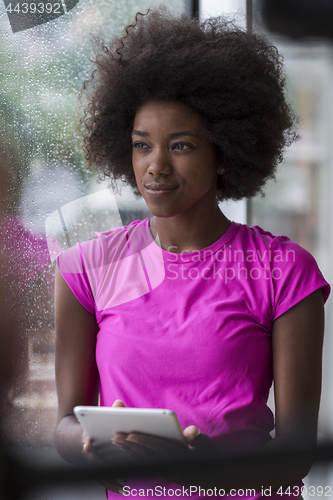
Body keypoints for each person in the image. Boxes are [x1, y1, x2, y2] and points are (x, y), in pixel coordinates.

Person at [54, 9, 330, 500]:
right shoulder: (85, 269)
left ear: (223, 151)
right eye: (142, 146)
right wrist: (88, 446)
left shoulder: (283, 271)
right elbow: (64, 425)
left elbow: (296, 456)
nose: (155, 166)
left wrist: (203, 469)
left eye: (180, 145)